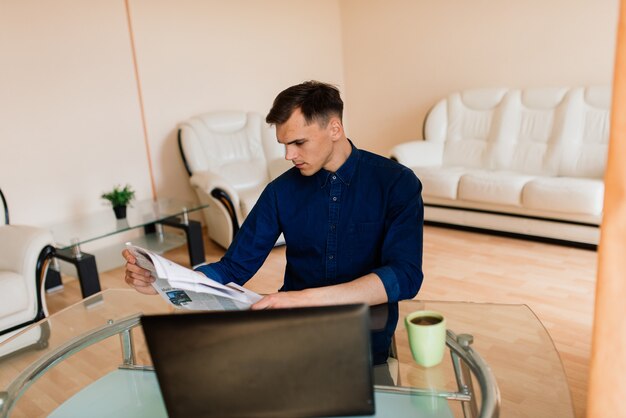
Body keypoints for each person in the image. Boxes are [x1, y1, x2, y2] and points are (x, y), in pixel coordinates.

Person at [123, 81, 424, 309]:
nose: (289, 155)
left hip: (367, 325)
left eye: (298, 142)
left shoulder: (396, 183)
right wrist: (165, 281)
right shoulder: (280, 191)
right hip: (294, 324)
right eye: (283, 144)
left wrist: (304, 299)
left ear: (334, 128)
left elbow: (406, 275)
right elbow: (233, 267)